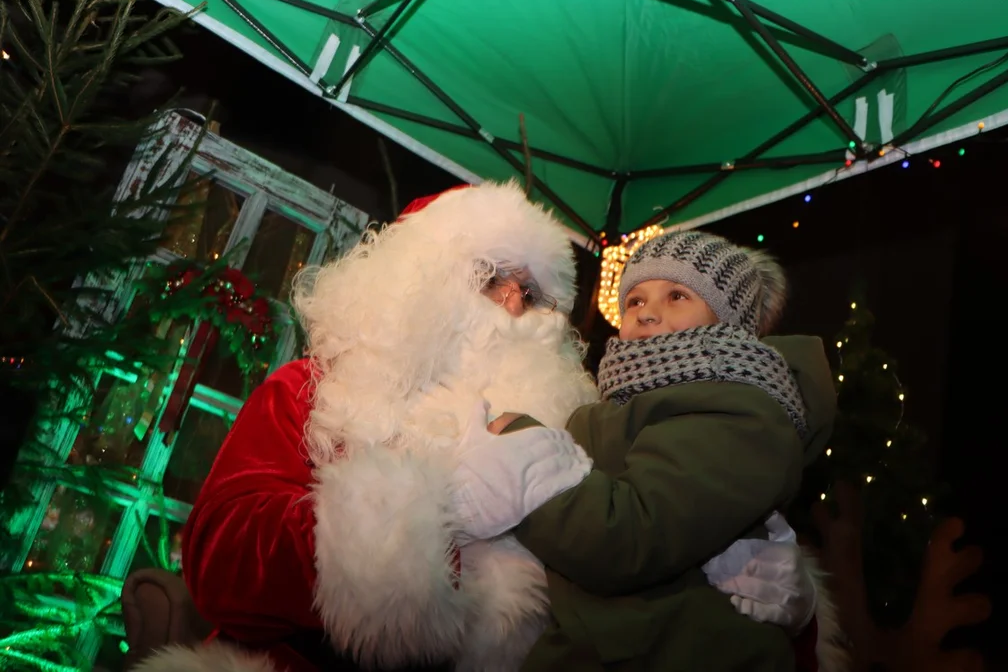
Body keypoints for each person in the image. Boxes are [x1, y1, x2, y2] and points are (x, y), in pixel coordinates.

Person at [133, 182, 839, 672]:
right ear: (417, 281)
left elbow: (649, 550)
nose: (511, 302)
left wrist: (788, 610)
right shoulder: (318, 392)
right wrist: (408, 532)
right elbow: (220, 560)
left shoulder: (578, 425)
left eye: (531, 292)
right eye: (490, 276)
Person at [476, 230, 839, 670]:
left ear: (726, 323)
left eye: (677, 296)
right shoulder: (620, 403)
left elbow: (628, 538)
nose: (648, 313)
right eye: (635, 300)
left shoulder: (737, 409)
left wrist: (526, 459)